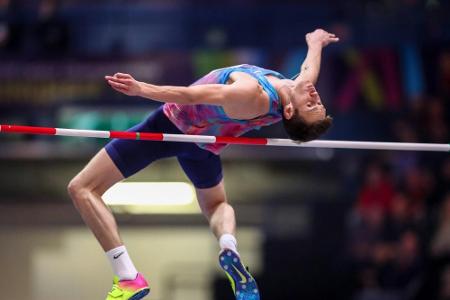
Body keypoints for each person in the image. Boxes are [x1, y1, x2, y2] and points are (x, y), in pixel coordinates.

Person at [67, 28, 338, 300]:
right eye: (319, 103)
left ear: (290, 111)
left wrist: (142, 89)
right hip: (204, 145)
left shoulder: (251, 94)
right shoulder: (297, 89)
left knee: (82, 187)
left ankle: (128, 277)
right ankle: (228, 245)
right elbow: (308, 69)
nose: (316, 97)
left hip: (169, 127)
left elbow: (191, 95)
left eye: (312, 105)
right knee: (216, 204)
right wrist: (315, 43)